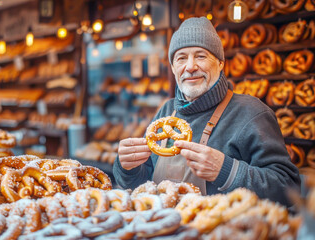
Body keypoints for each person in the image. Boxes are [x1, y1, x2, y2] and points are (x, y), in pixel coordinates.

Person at [113, 17, 300, 207]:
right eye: (181, 58)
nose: (191, 66)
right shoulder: (167, 112)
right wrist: (128, 168)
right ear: (173, 68)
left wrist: (227, 171)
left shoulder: (251, 113)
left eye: (201, 56)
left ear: (220, 63)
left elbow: (289, 189)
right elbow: (143, 186)